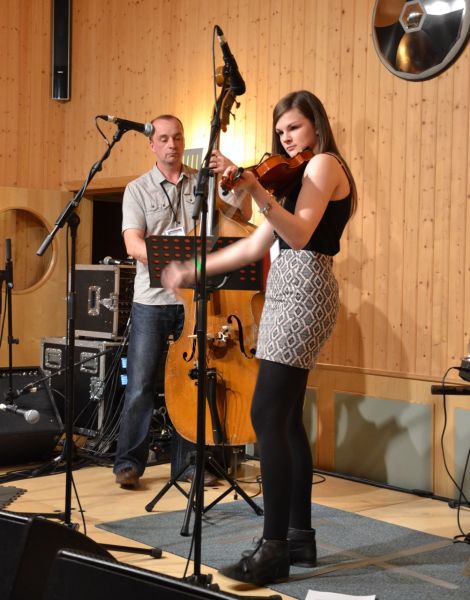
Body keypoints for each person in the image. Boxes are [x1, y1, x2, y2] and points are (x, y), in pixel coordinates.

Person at [162, 90, 357, 585]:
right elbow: (254, 243)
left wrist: (257, 188)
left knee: (266, 412)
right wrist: (195, 268)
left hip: (306, 287)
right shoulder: (293, 176)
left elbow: (299, 236)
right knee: (286, 418)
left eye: (293, 127)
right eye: (280, 131)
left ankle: (273, 550)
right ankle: (298, 537)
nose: (285, 138)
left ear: (315, 124)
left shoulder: (325, 166)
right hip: (288, 290)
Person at [113, 114, 252, 489]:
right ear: (152, 144)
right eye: (164, 139)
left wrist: (236, 175)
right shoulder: (137, 189)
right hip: (153, 301)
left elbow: (244, 214)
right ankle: (128, 463)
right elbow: (133, 243)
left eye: (177, 138)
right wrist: (172, 264)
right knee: (141, 383)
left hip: (197, 303)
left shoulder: (202, 183)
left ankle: (188, 465)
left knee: (193, 382)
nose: (172, 145)